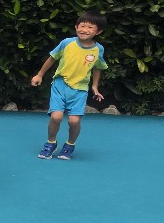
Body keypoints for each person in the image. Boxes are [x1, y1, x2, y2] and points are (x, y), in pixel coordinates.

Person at [31, 11, 107, 160]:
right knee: (56, 117)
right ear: (76, 27)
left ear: (98, 32)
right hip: (60, 85)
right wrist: (39, 75)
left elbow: (98, 67)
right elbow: (52, 58)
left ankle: (70, 145)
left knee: (74, 121)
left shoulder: (98, 49)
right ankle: (51, 143)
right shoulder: (67, 43)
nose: (84, 30)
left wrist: (95, 86)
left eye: (90, 27)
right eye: (82, 26)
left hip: (80, 90)